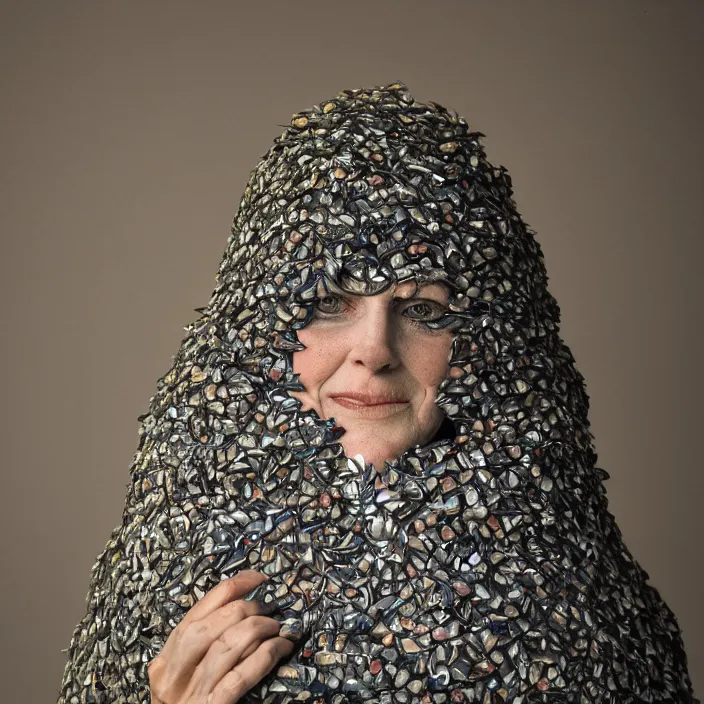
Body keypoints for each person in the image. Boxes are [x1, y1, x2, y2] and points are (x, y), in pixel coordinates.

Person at [57, 82, 697, 704]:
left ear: (489, 343)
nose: (374, 350)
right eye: (329, 304)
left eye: (422, 309)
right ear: (259, 328)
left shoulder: (585, 607)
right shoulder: (171, 557)